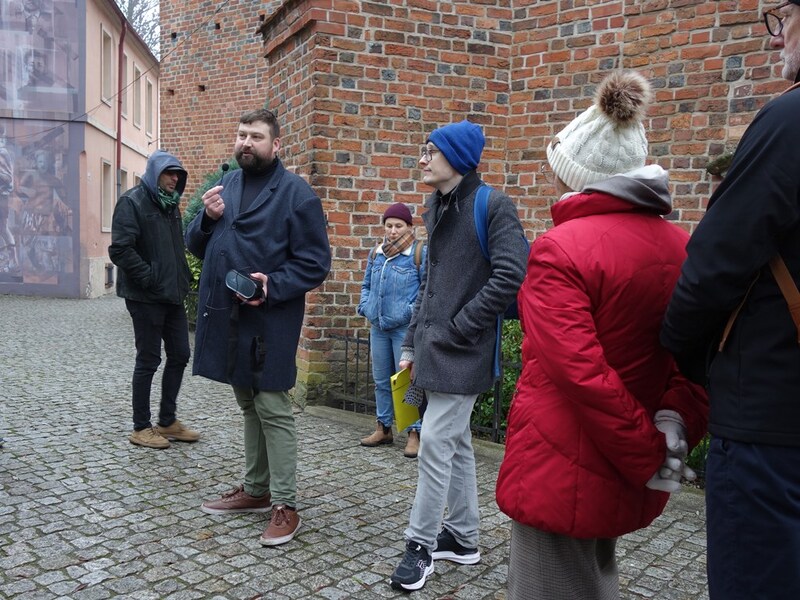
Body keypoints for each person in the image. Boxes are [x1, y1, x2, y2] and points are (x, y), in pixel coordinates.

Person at [495, 71, 708, 600]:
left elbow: (580, 372)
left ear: (574, 178)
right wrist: (668, 433)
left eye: (555, 172)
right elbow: (698, 357)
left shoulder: (561, 249)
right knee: (595, 575)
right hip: (622, 453)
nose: (549, 182)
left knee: (547, 584)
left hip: (562, 453)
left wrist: (644, 451)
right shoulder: (680, 246)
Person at [660, 4, 800, 598]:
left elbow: (708, 273)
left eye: (784, 17)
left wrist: (688, 364)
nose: (775, 40)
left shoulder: (789, 122)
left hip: (774, 425)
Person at [388, 120, 528, 592]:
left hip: (464, 353)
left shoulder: (494, 205)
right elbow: (427, 283)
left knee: (433, 445)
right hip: (433, 349)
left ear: (458, 157)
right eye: (422, 149)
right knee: (457, 444)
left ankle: (419, 546)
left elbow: (512, 274)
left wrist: (462, 326)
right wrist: (411, 342)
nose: (422, 158)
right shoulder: (436, 206)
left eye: (431, 150)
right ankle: (464, 539)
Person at [187, 109, 331, 547]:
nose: (246, 142)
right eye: (241, 134)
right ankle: (255, 489)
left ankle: (285, 504)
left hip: (269, 320)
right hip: (229, 318)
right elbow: (195, 244)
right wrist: (207, 219)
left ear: (276, 145)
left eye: (256, 136)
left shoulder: (297, 195)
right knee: (249, 405)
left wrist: (272, 287)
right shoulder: (226, 185)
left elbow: (315, 262)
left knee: (273, 408)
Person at [108, 149, 199, 450]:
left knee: (181, 354)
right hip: (145, 297)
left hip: (172, 294)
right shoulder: (131, 202)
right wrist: (150, 278)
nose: (175, 178)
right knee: (148, 359)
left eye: (178, 174)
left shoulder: (171, 205)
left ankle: (167, 421)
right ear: (155, 172)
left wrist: (181, 277)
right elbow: (120, 250)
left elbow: (175, 247)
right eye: (170, 172)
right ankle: (140, 427)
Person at [357, 202, 425, 458]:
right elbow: (366, 284)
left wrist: (407, 313)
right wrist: (366, 306)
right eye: (389, 226)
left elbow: (425, 290)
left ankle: (413, 433)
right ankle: (383, 427)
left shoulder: (418, 254)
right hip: (379, 326)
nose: (393, 231)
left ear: (409, 227)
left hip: (404, 330)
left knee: (405, 382)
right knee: (381, 381)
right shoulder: (377, 254)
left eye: (398, 226)